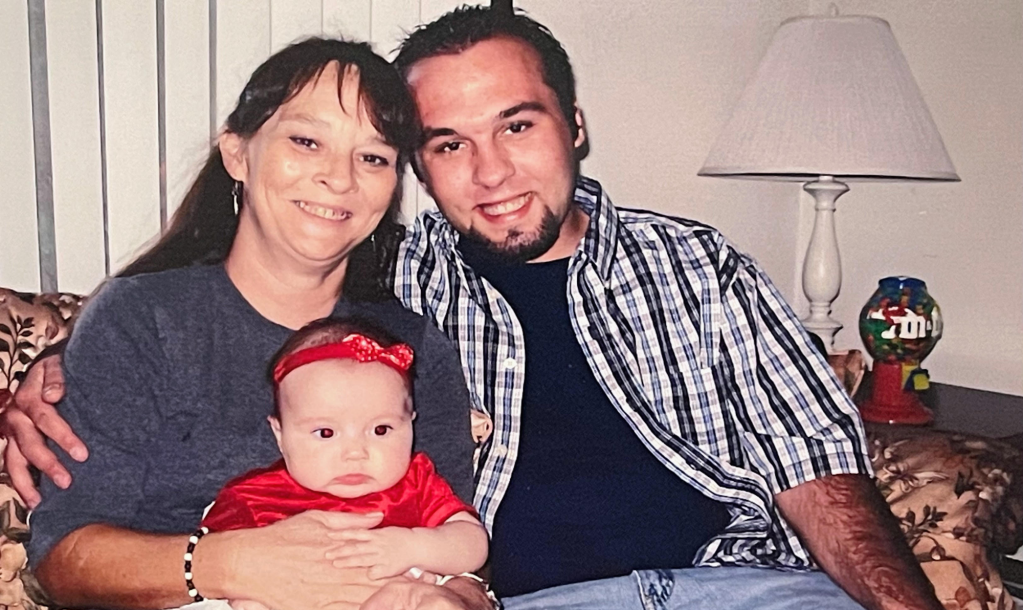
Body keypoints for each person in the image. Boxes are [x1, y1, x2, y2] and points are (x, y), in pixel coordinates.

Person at [6, 6, 943, 610]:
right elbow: (229, 307)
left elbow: (818, 470)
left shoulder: (695, 265)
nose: (489, 174)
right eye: (448, 144)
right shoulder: (399, 300)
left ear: (573, 125)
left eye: (518, 126)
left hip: (748, 590)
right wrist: (60, 364)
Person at [4, 37, 492, 610]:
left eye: (374, 157)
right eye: (307, 141)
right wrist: (232, 563)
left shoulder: (411, 347)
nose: (340, 179)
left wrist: (450, 600)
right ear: (237, 153)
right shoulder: (142, 319)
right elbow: (63, 557)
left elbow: (465, 564)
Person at [193, 317, 488, 610]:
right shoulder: (252, 498)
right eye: (325, 433)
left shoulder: (416, 483)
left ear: (411, 424)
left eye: (381, 430)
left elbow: (473, 544)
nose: (355, 452)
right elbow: (217, 572)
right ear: (280, 435)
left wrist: (412, 545)